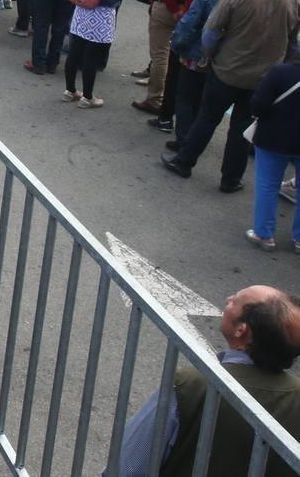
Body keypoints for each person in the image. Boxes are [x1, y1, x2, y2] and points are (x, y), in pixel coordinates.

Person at [111, 285, 300, 477]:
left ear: (241, 330)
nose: (228, 299)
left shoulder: (190, 385)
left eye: (235, 301)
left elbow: (126, 467)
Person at [162, 0, 300, 192]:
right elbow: (293, 43)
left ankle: (184, 162)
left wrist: (211, 57)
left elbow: (211, 33)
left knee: (207, 117)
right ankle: (231, 179)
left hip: (227, 70)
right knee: (242, 128)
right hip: (264, 77)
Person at [167, 0, 248, 152]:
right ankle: (194, 138)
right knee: (204, 101)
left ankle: (183, 139)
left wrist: (177, 45)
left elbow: (189, 24)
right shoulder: (245, 0)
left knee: (185, 97)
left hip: (196, 55)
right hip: (224, 60)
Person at [247, 62, 300, 252]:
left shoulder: (281, 72)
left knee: (267, 185)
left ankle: (264, 234)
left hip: (273, 138)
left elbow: (258, 105)